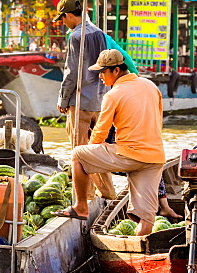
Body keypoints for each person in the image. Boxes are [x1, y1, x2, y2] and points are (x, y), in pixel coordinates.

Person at [63, 49, 165, 236]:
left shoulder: (114, 94)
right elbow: (159, 121)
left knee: (78, 154)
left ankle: (81, 207)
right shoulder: (151, 86)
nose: (100, 76)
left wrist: (91, 149)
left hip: (129, 155)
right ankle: (139, 249)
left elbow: (101, 131)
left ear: (116, 71)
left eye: (103, 72)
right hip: (155, 158)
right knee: (147, 218)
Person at [54, 0, 115, 199]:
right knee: (98, 151)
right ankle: (108, 193)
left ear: (69, 15)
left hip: (81, 101)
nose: (63, 24)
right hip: (100, 100)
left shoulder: (76, 36)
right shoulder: (98, 32)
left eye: (63, 19)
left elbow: (72, 72)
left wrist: (63, 99)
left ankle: (85, 198)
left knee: (79, 152)